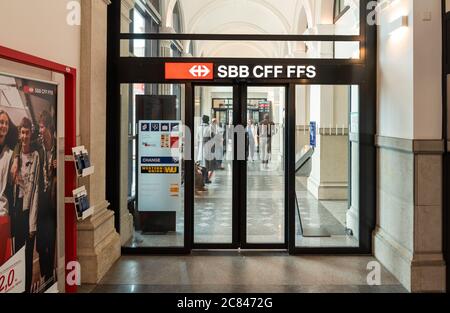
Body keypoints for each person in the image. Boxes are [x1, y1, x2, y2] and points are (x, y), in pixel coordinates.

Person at [10, 117, 40, 292]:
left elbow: (35, 189)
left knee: (28, 253)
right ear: (19, 133)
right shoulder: (16, 154)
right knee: (17, 252)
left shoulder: (35, 155)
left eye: (27, 132)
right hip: (16, 209)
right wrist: (15, 158)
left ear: (31, 133)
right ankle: (18, 287)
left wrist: (33, 223)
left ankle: (27, 288)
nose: (25, 136)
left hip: (28, 209)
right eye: (22, 132)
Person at [36, 111, 57, 285]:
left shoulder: (58, 148)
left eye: (42, 126)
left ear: (49, 127)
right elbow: (21, 145)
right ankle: (45, 275)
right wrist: (15, 158)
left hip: (53, 202)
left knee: (50, 241)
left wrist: (59, 168)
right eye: (39, 126)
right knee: (41, 243)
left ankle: (49, 277)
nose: (40, 130)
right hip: (40, 201)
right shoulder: (38, 146)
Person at [0, 111, 17, 267]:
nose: (3, 125)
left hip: (3, 214)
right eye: (1, 122)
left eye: (5, 123)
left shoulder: (10, 153)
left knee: (3, 262)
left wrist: (16, 159)